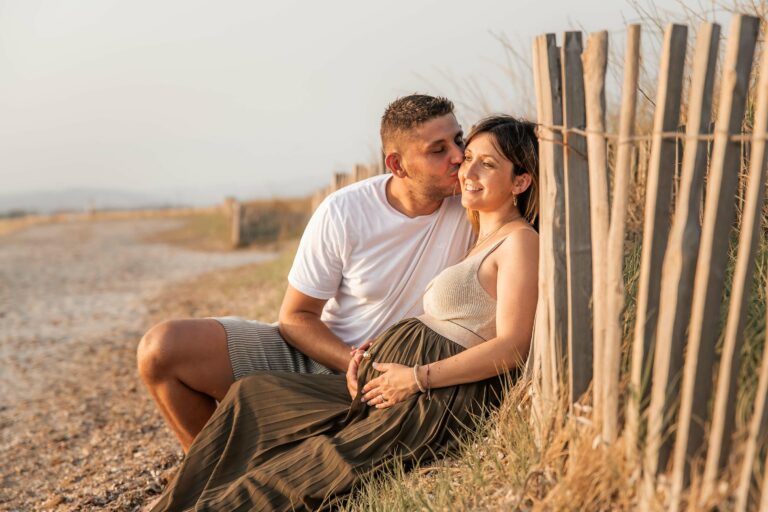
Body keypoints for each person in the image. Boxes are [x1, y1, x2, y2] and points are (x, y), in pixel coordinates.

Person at [149, 115, 540, 511]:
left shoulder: (515, 238)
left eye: (469, 151)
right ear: (397, 165)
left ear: (522, 181)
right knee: (243, 395)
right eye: (453, 151)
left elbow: (514, 345)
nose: (461, 163)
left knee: (282, 475)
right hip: (354, 365)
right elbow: (296, 316)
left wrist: (417, 378)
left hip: (420, 392)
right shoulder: (355, 209)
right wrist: (363, 363)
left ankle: (202, 499)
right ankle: (184, 493)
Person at [136, 94, 475, 452]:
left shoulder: (476, 203)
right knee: (162, 349)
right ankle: (208, 469)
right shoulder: (345, 211)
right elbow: (296, 317)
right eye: (437, 150)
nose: (458, 156)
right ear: (397, 164)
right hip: (323, 357)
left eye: (458, 139)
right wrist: (354, 363)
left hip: (402, 376)